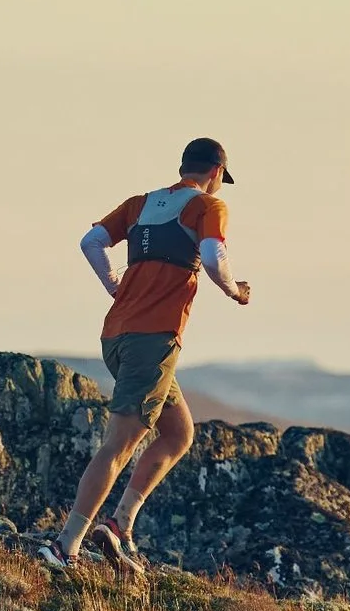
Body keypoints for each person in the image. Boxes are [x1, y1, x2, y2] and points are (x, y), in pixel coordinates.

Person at [47, 138, 251, 570]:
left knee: (178, 434)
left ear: (184, 166)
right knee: (118, 447)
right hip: (153, 340)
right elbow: (214, 258)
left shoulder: (140, 203)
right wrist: (235, 292)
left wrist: (114, 285)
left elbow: (90, 242)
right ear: (216, 174)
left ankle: (119, 526)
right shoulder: (209, 208)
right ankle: (64, 548)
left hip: (117, 336)